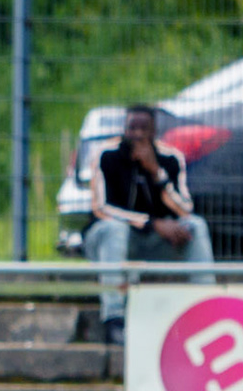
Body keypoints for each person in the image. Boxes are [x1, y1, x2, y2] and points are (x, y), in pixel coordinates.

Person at [83, 104, 214, 345]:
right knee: (115, 229)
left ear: (154, 131)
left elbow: (185, 209)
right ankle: (114, 319)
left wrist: (157, 173)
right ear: (124, 129)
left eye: (144, 128)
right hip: (108, 243)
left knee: (196, 226)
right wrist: (152, 224)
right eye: (132, 127)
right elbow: (101, 209)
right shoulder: (107, 155)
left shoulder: (170, 159)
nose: (138, 134)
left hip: (153, 245)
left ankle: (207, 308)